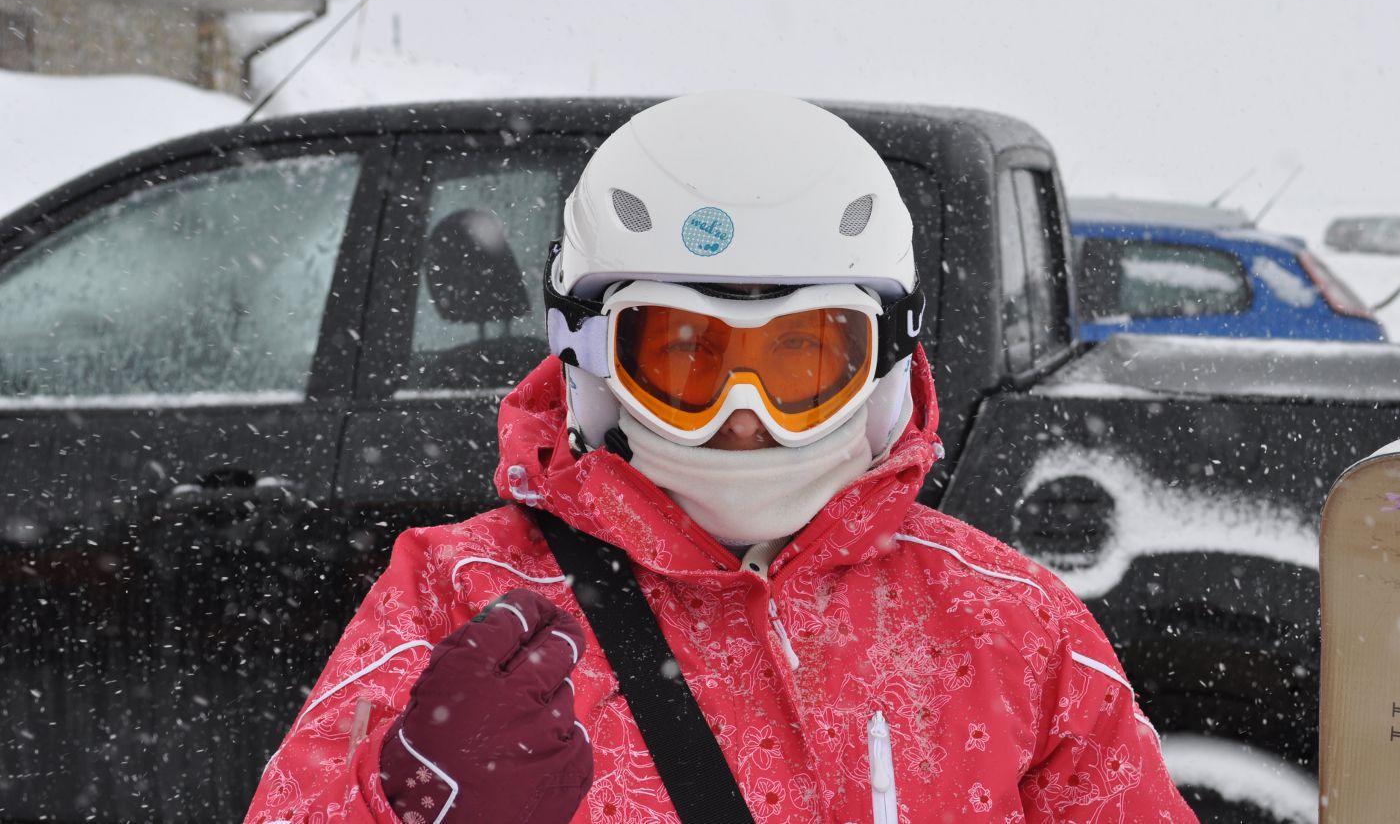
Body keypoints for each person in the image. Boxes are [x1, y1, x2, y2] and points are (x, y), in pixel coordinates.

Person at [246, 91, 1198, 823]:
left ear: (881, 367)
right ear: (594, 360)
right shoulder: (463, 601)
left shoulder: (1013, 630)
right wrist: (405, 803)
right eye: (686, 357)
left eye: (802, 359)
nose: (744, 418)